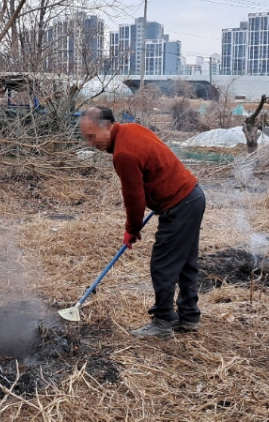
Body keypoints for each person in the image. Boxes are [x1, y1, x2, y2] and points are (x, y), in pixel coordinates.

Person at [79, 106, 206, 339]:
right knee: (186, 262)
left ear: (107, 126)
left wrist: (131, 230)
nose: (90, 143)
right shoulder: (132, 129)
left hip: (180, 203)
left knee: (163, 265)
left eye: (91, 136)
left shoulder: (123, 154)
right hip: (192, 197)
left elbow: (134, 198)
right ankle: (188, 317)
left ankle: (162, 322)